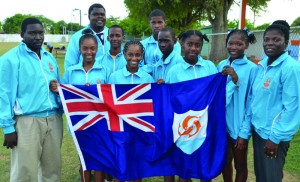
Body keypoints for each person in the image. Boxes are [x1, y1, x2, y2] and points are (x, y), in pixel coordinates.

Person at [0, 17, 63, 181]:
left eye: (41, 33)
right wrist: (8, 128)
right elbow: (4, 95)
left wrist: (57, 90)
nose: (38, 37)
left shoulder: (49, 57)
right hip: (27, 122)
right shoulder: (10, 59)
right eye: (32, 33)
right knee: (25, 172)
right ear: (22, 34)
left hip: (53, 120)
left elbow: (57, 86)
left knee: (52, 171)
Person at [244, 20, 300, 182]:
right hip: (259, 131)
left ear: (286, 43)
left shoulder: (290, 68)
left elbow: (293, 107)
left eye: (276, 40)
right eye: (267, 39)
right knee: (262, 176)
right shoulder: (262, 66)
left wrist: (275, 138)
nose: (270, 43)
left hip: (273, 136)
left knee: (271, 177)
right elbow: (255, 100)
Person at [51, 28, 109, 182]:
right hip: (78, 123)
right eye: (85, 48)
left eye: (92, 48)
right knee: (83, 158)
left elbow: (110, 95)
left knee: (97, 159)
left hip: (99, 122)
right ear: (79, 49)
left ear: (97, 49)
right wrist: (58, 91)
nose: (88, 52)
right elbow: (65, 95)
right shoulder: (71, 71)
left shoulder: (104, 70)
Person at [165, 30, 217, 182]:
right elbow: (168, 98)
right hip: (184, 125)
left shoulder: (209, 67)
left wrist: (232, 82)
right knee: (185, 167)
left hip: (205, 125)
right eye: (189, 44)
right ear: (182, 44)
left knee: (204, 166)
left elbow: (216, 93)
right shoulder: (175, 70)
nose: (193, 48)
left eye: (197, 45)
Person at [217, 28, 257, 182]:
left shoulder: (252, 69)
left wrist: (244, 132)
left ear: (246, 45)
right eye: (230, 43)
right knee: (225, 162)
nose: (234, 47)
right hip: (222, 126)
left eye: (239, 44)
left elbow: (251, 103)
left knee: (240, 165)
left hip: (239, 127)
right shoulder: (221, 65)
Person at [64, 3, 110, 71]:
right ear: (89, 17)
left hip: (110, 80)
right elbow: (70, 64)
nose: (100, 16)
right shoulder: (77, 37)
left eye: (102, 14)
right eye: (95, 14)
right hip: (86, 79)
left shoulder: (113, 35)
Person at [140, 9, 181, 73]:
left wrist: (149, 67)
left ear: (165, 23)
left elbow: (174, 64)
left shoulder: (175, 44)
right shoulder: (142, 44)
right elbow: (139, 67)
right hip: (147, 80)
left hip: (167, 80)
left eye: (160, 22)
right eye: (153, 22)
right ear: (149, 23)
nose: (156, 26)